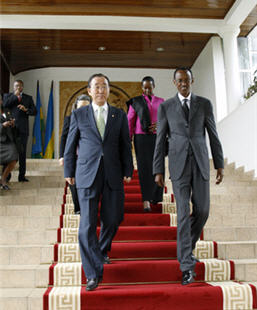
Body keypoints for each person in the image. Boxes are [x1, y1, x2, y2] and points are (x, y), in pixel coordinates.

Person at [153, 67, 224, 285]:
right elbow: (161, 138)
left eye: (187, 80)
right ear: (174, 83)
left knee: (202, 210)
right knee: (183, 213)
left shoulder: (204, 104)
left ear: (193, 80)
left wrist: (219, 163)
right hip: (179, 165)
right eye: (180, 80)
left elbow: (213, 134)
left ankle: (185, 246)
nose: (184, 83)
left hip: (201, 163)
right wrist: (158, 169)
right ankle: (186, 265)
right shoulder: (166, 107)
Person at [64, 73, 133, 291]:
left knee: (112, 219)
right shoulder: (79, 115)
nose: (101, 90)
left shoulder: (118, 115)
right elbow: (70, 143)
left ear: (109, 90)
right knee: (86, 226)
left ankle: (100, 250)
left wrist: (128, 169)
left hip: (112, 173)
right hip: (86, 173)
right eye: (97, 87)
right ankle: (92, 273)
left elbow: (125, 144)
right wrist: (69, 169)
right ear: (89, 91)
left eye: (104, 86)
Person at [127, 76, 164, 212]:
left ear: (154, 86)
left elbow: (166, 120)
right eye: (144, 87)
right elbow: (130, 121)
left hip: (157, 138)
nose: (147, 89)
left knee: (157, 167)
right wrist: (128, 139)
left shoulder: (161, 102)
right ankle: (146, 200)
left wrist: (159, 126)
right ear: (142, 88)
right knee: (144, 169)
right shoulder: (135, 102)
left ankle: (155, 196)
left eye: (149, 87)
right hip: (140, 138)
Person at [59, 94, 91, 214]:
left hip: (88, 156)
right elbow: (64, 138)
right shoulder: (70, 118)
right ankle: (78, 208)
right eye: (80, 107)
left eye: (86, 107)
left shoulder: (94, 119)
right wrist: (62, 156)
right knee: (73, 182)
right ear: (76, 107)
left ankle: (87, 207)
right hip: (73, 155)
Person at [3, 80, 37, 182]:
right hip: (10, 129)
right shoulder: (7, 96)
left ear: (22, 87)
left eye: (19, 86)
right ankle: (6, 177)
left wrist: (26, 109)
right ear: (13, 87)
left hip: (23, 129)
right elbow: (5, 105)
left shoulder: (28, 98)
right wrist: (15, 96)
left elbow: (34, 111)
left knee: (22, 153)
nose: (17, 88)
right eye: (16, 86)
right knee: (9, 153)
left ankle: (21, 176)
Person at [0, 95, 18, 190]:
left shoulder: (6, 110)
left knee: (14, 156)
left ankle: (3, 178)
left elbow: (11, 120)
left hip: (8, 140)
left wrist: (12, 123)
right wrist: (2, 125)